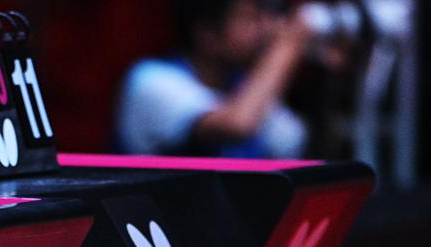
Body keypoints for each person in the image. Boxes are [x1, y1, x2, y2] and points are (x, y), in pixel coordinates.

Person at [115, 0, 316, 159]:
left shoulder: (243, 87)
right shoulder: (151, 79)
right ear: (207, 33)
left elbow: (291, 141)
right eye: (250, 18)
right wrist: (289, 42)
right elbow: (236, 125)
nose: (265, 28)